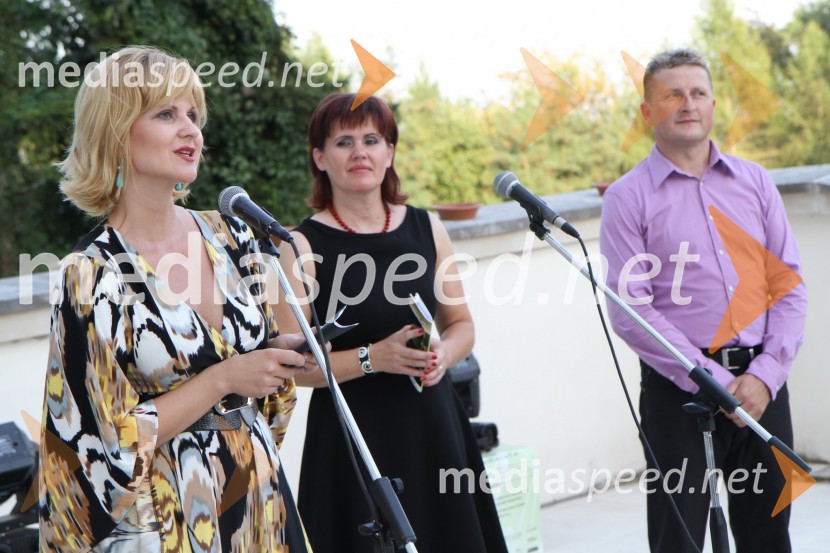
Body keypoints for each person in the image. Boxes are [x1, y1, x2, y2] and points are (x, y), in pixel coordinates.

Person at [39, 46, 314, 552]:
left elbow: (269, 395)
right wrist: (226, 379)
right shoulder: (91, 275)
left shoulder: (232, 235)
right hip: (166, 521)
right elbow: (101, 447)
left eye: (193, 114)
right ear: (116, 131)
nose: (191, 130)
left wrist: (282, 350)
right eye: (166, 114)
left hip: (258, 498)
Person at [275, 92, 508, 553]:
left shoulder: (427, 227)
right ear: (320, 158)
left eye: (372, 139)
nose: (360, 152)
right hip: (353, 442)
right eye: (343, 142)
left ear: (390, 153)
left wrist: (445, 352)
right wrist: (372, 358)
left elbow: (461, 324)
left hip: (435, 429)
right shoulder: (298, 247)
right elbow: (293, 368)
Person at [600, 48, 807, 553]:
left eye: (697, 93)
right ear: (649, 112)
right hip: (680, 394)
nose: (687, 104)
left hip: (762, 386)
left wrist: (764, 376)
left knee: (769, 533)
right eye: (672, 94)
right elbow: (632, 311)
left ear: (713, 104)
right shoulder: (628, 198)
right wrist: (708, 379)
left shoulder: (756, 182)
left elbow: (789, 286)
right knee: (681, 539)